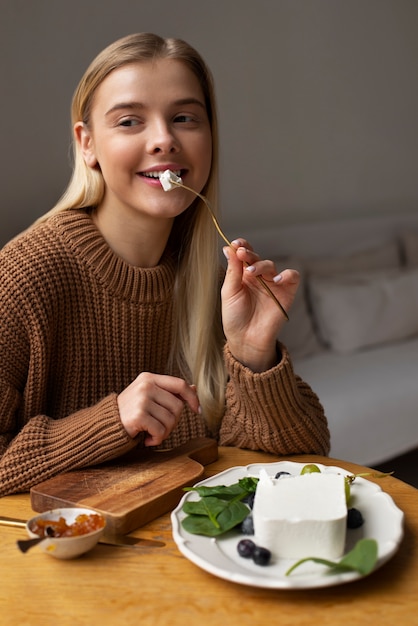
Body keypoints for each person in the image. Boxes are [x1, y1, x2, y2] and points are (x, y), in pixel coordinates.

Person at [0, 33, 329, 496]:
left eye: (184, 118)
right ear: (87, 143)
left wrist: (253, 355)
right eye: (130, 121)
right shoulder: (23, 275)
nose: (164, 140)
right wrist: (109, 422)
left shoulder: (216, 283)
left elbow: (300, 471)